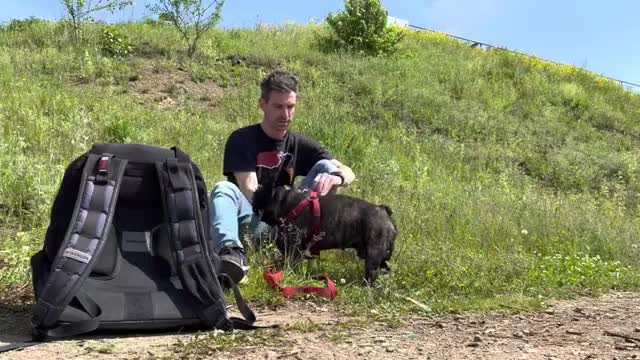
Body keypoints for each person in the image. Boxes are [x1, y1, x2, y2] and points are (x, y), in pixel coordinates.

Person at [209, 70, 356, 284]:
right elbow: (251, 190)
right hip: (254, 218)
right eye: (278, 107)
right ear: (262, 104)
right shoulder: (241, 139)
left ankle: (300, 246)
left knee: (326, 167)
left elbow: (347, 170)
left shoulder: (299, 143)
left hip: (286, 222)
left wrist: (338, 178)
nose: (285, 115)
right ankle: (232, 254)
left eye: (290, 107)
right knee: (224, 188)